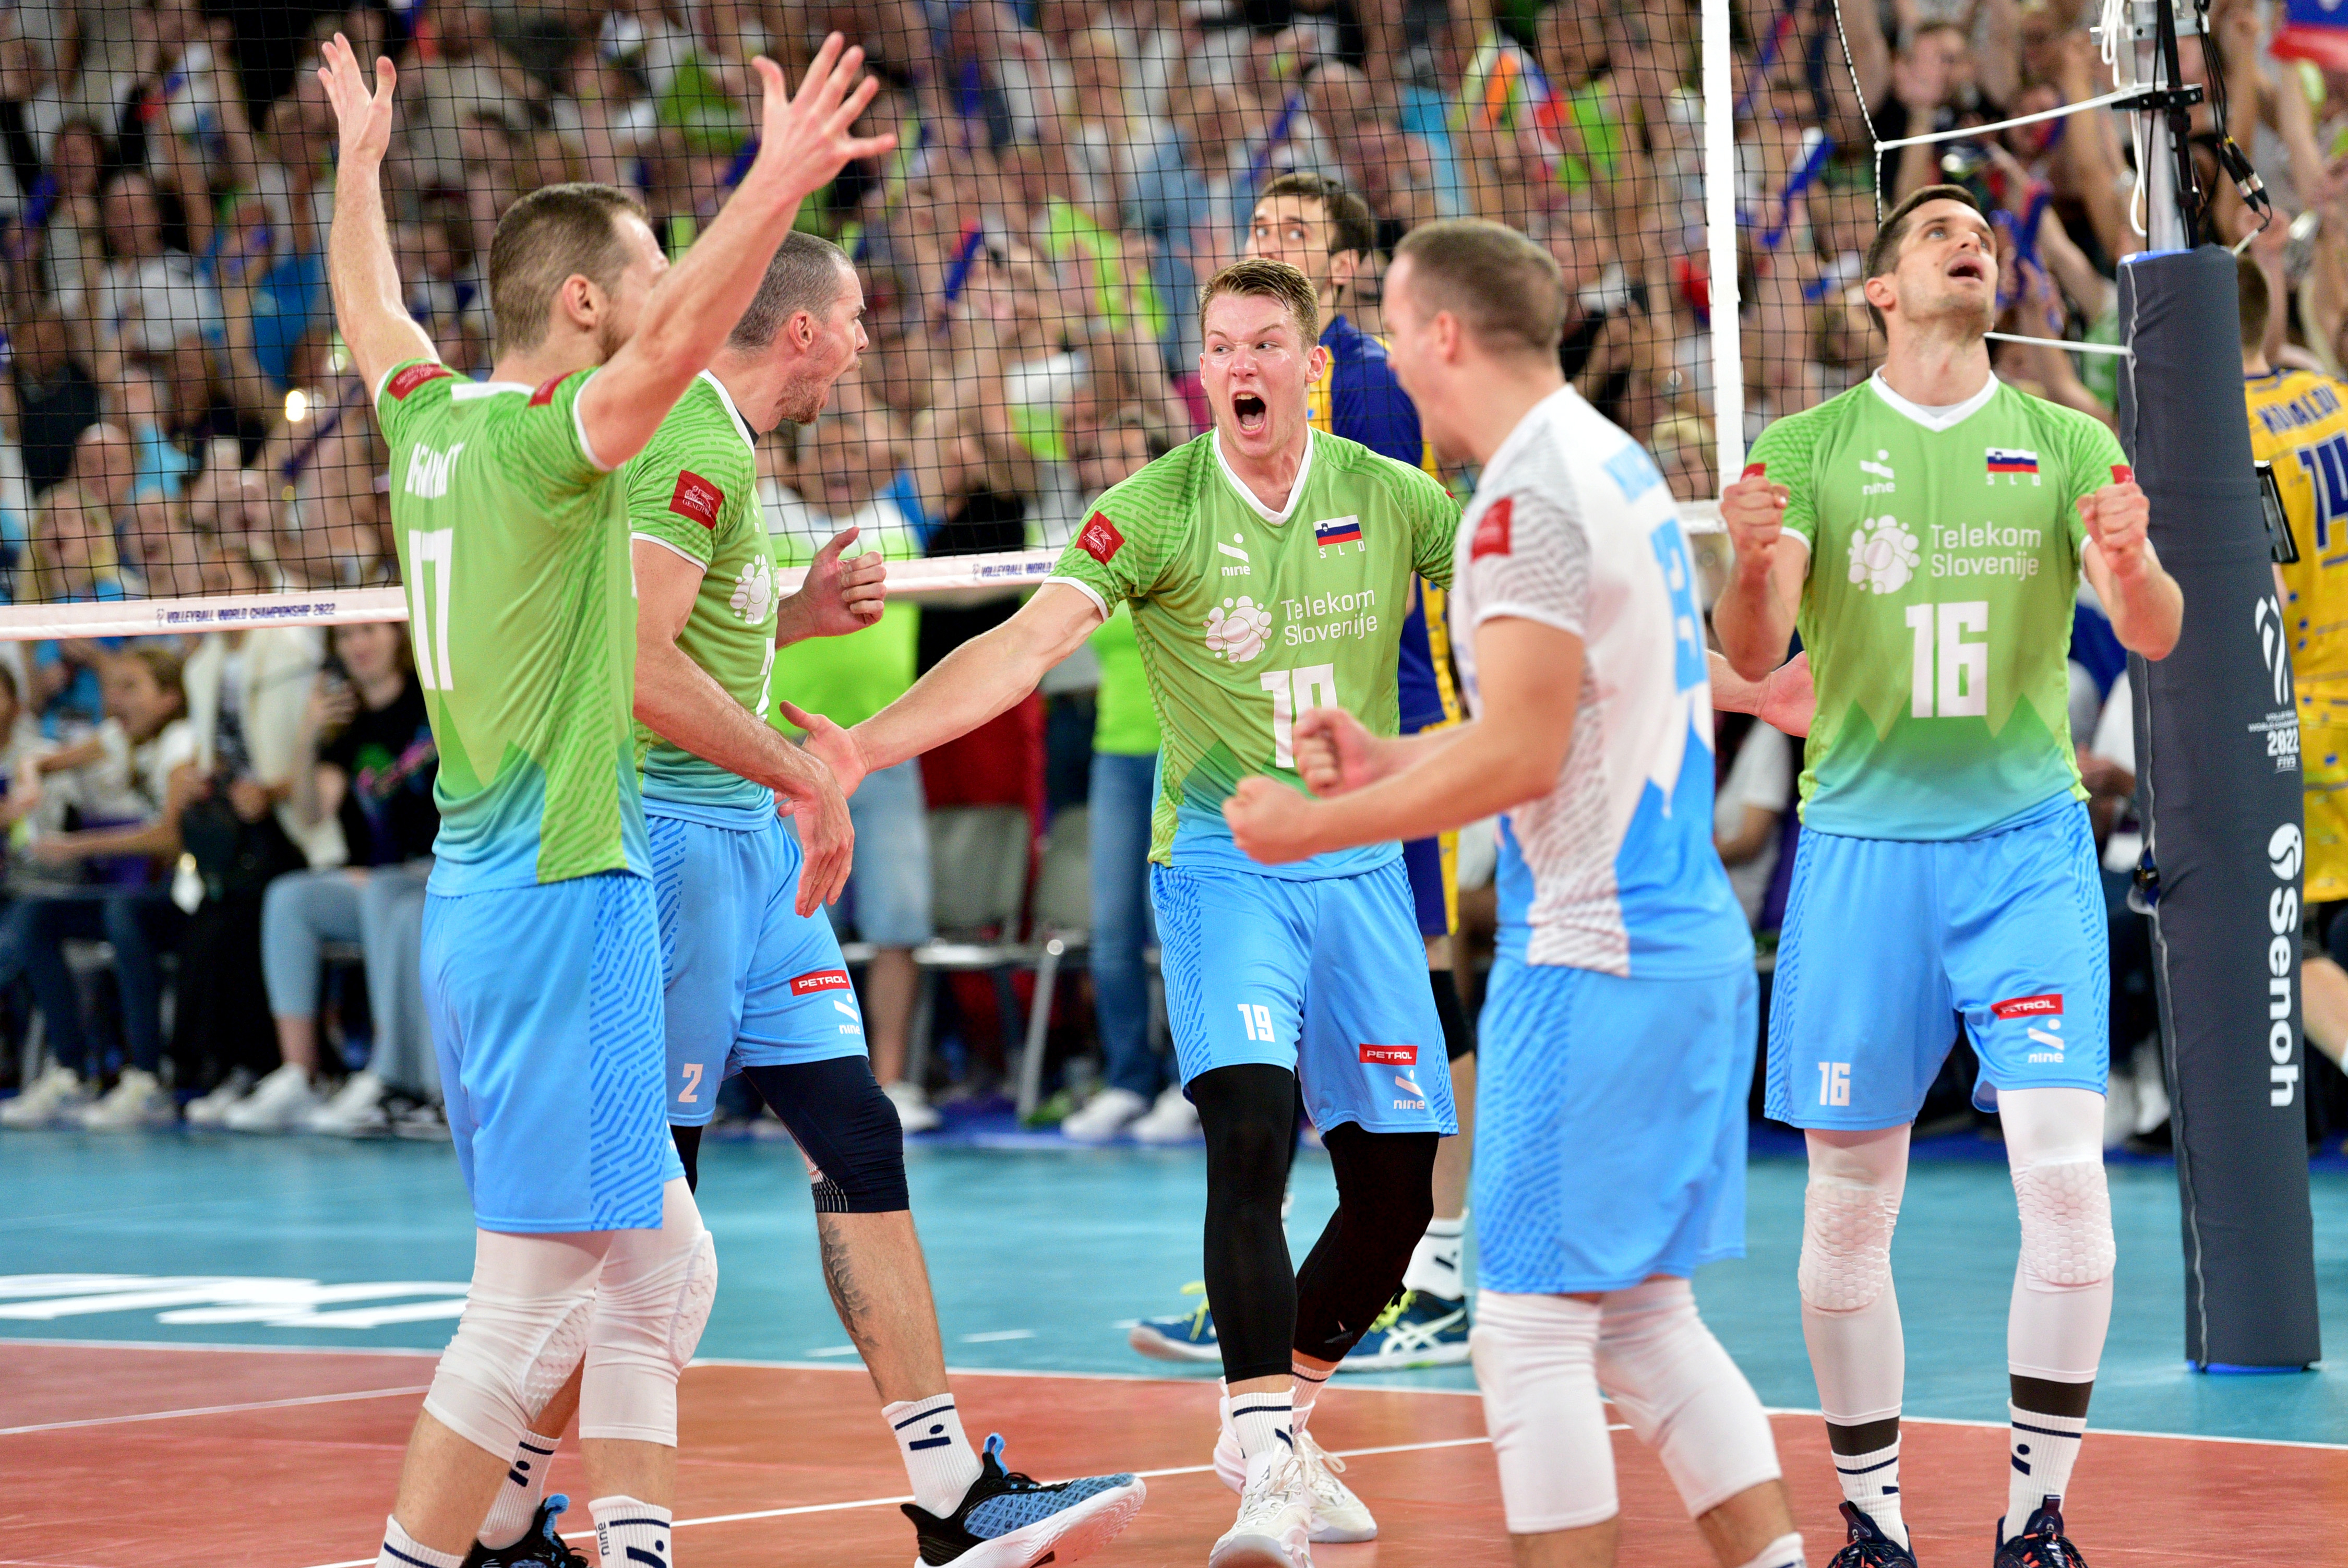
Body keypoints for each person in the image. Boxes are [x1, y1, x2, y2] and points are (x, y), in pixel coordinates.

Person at [318, 32, 890, 1568]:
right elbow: (684, 332)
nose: (664, 315)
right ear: (582, 302)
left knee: (666, 1269)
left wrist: (357, 172)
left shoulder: (427, 424)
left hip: (509, 900)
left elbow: (369, 307)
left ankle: (632, 1542)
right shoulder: (537, 454)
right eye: (637, 280)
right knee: (526, 1307)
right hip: (561, 900)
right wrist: (775, 182)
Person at [792, 257, 1459, 1566]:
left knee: (1392, 1199)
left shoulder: (1393, 499)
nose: (1243, 368)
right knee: (1251, 1129)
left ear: (1309, 367)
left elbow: (1506, 589)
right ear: (1200, 370)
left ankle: (1286, 1425)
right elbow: (1021, 646)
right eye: (1221, 348)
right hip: (1220, 861)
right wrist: (862, 748)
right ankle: (1261, 1450)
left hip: (1362, 863)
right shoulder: (1149, 511)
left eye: (1267, 344)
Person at [494, 232, 1146, 1568]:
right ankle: (507, 1512)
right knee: (642, 1209)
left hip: (751, 851)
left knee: (858, 1136)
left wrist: (788, 619)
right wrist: (807, 766)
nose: (861, 345)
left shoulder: (731, 446)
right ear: (797, 332)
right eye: (851, 321)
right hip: (675, 849)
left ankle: (950, 1493)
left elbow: (689, 636)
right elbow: (628, 659)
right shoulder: (692, 431)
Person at [1223, 213, 1805, 1568]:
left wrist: (1324, 817)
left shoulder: (1518, 500)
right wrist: (1395, 752)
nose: (1354, 351)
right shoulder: (1613, 466)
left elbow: (1529, 748)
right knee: (1647, 1318)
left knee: (1531, 1324)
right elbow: (1577, 715)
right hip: (1684, 949)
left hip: (1591, 953)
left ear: (1437, 334)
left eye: (1377, 320)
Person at [1713, 184, 2183, 1568]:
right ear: (1878, 289)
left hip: (2022, 847)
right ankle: (1870, 1522)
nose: (1969, 240)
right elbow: (1750, 651)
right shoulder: (1809, 446)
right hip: (1859, 856)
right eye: (1935, 232)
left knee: (2064, 1184)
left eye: (1981, 234)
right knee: (1848, 1203)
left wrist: (2130, 556)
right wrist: (1747, 561)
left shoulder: (2060, 437)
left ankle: (2034, 1513)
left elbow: (2150, 629)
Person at [256, 619, 444, 1136]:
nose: (358, 645)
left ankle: (385, 1074)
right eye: (346, 637)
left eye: (369, 631)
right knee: (289, 896)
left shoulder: (434, 701)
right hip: (377, 881)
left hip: (439, 872)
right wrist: (308, 733)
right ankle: (300, 1074)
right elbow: (312, 813)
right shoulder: (348, 724)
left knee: (385, 892)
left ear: (399, 636)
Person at [0, 647, 194, 1130]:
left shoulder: (184, 741)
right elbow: (42, 762)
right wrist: (28, 782)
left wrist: (75, 847)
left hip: (190, 898)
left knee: (123, 915)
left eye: (131, 687)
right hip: (144, 896)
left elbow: (171, 836)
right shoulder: (121, 736)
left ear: (169, 698)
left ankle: (148, 1079)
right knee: (33, 916)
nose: (115, 699)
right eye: (112, 686)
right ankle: (71, 1072)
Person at [2239, 258, 2348, 1075]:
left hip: (2309, 713)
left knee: (2287, 939)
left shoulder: (2233, 440)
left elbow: (2265, 591)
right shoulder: (2333, 398)